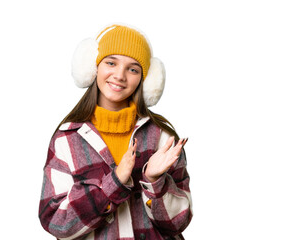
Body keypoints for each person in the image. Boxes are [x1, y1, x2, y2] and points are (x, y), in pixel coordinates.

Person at [39, 24, 192, 240]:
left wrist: (154, 181)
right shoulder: (66, 139)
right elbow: (57, 222)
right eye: (111, 63)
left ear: (145, 79)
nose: (119, 75)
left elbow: (178, 224)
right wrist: (113, 184)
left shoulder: (163, 138)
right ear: (93, 67)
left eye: (133, 69)